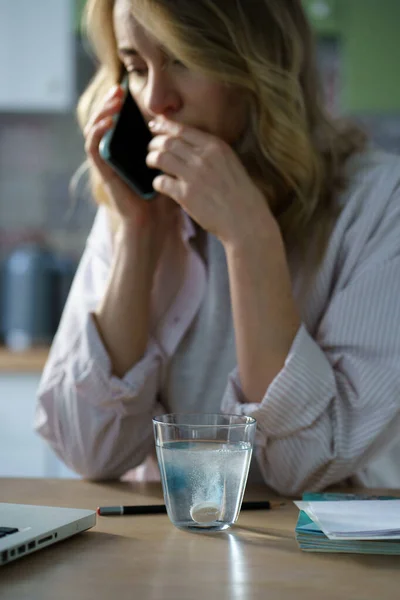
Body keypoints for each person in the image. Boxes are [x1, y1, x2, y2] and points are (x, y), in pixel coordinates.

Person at [35, 0, 400, 494]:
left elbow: (303, 467)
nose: (156, 100)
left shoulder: (380, 202)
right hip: (160, 558)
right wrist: (137, 233)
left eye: (184, 59)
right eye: (136, 67)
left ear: (258, 64)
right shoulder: (136, 201)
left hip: (327, 564)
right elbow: (88, 451)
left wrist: (249, 237)